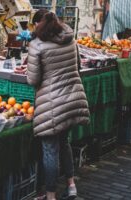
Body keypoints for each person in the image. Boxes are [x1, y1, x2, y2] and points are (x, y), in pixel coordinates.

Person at [27, 12, 90, 200]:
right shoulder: (70, 40)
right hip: (72, 100)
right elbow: (77, 66)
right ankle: (71, 186)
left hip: (52, 104)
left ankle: (50, 195)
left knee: (50, 149)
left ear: (39, 26)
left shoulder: (37, 45)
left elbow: (33, 79)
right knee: (64, 143)